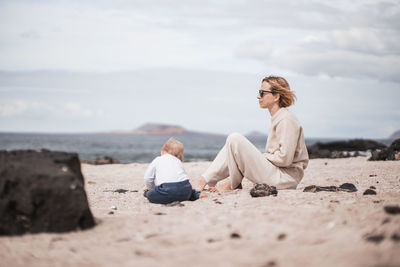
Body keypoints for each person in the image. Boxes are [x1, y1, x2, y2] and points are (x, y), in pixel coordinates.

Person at [192, 76, 309, 192]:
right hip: (278, 173)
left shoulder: (286, 119)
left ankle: (210, 181)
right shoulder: (279, 117)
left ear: (276, 96)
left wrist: (261, 157)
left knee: (235, 139)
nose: (258, 96)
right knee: (231, 144)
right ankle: (220, 181)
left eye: (262, 92)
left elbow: (285, 159)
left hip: (284, 179)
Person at [143, 138, 206, 204]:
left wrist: (151, 188)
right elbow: (183, 178)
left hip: (168, 189)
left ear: (162, 151)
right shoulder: (178, 161)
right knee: (187, 191)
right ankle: (196, 194)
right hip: (185, 190)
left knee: (150, 194)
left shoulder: (158, 159)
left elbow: (148, 178)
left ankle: (153, 193)